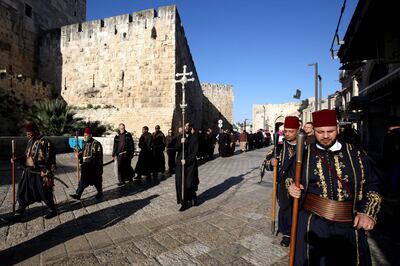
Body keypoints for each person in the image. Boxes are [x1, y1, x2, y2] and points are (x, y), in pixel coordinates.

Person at [288, 109, 381, 265]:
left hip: (349, 225)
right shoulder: (303, 154)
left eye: (330, 131)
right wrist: (291, 187)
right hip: (313, 224)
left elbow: (373, 183)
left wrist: (367, 213)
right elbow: (290, 178)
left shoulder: (357, 154)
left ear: (337, 127)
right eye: (320, 131)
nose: (325, 136)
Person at [7, 122, 57, 221]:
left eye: (29, 133)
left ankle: (52, 210)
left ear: (35, 131)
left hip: (40, 173)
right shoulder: (30, 141)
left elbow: (50, 158)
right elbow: (27, 155)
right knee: (23, 191)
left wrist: (46, 171)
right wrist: (16, 159)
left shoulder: (45, 142)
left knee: (44, 192)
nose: (27, 135)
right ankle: (18, 214)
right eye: (27, 133)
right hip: (29, 172)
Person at [265, 116, 299, 247]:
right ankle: (287, 233)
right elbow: (266, 163)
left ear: (297, 130)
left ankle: (298, 230)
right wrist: (271, 163)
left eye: (291, 131)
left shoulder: (306, 145)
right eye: (286, 131)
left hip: (300, 182)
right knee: (285, 207)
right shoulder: (279, 146)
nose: (288, 134)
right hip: (283, 183)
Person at [70, 127, 103, 200]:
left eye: (86, 135)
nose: (85, 136)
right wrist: (78, 155)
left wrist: (99, 168)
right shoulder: (85, 143)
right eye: (84, 135)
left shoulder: (96, 144)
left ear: (90, 135)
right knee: (83, 180)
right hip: (85, 166)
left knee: (96, 181)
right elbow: (83, 153)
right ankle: (78, 194)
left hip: (93, 166)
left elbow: (99, 157)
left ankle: (100, 192)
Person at [175, 122, 199, 211]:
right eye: (185, 126)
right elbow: (176, 148)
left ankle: (193, 195)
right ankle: (183, 203)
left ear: (191, 127)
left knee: (189, 184)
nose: (186, 128)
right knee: (180, 184)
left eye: (188, 126)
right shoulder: (181, 137)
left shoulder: (194, 138)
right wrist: (181, 143)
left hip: (190, 165)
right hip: (180, 164)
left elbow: (194, 153)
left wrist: (187, 160)